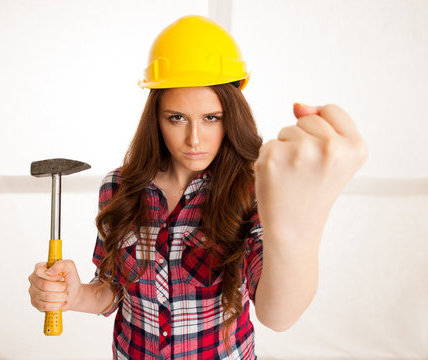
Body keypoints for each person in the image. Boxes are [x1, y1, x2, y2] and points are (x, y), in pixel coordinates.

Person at [28, 15, 368, 360]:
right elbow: (113, 289)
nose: (194, 139)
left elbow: (277, 315)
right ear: (155, 118)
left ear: (232, 116)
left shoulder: (252, 190)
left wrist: (302, 219)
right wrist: (73, 295)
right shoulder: (118, 187)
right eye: (177, 118)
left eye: (211, 118)